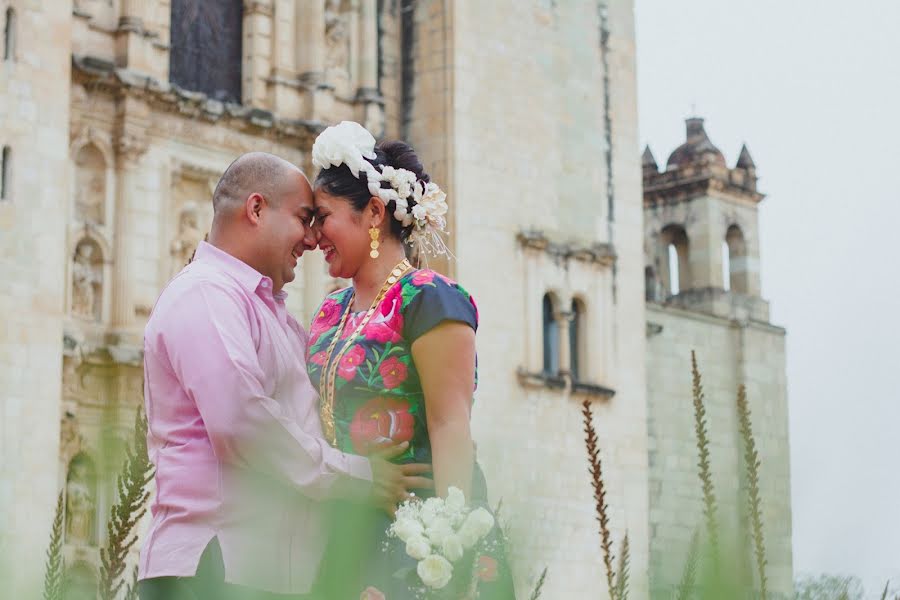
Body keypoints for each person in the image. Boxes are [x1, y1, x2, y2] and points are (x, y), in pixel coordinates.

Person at [138, 152, 432, 600]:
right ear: (255, 210)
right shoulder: (205, 293)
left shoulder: (273, 314)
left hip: (265, 572)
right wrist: (361, 477)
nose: (313, 239)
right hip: (214, 564)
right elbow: (242, 424)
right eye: (304, 218)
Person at [306, 123, 515, 598]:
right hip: (344, 533)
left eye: (324, 217)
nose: (314, 235)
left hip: (420, 533)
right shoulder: (329, 312)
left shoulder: (430, 300)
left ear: (374, 213)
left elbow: (450, 427)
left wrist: (441, 559)